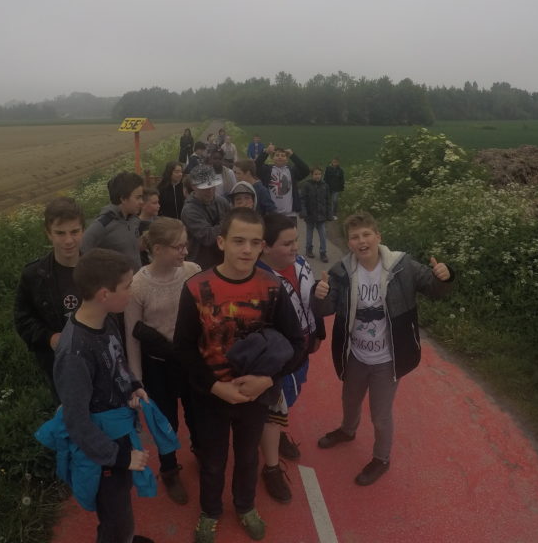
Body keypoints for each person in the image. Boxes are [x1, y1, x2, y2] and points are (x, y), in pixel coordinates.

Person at [173, 208, 305, 543]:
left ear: (262, 246)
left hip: (254, 395)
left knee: (247, 458)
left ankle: (245, 507)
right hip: (210, 397)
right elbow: (184, 348)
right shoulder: (195, 287)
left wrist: (267, 380)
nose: (247, 249)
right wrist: (215, 386)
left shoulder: (272, 287)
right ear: (221, 242)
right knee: (212, 460)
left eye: (255, 242)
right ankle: (210, 511)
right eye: (238, 241)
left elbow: (296, 343)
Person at [313, 211, 455, 486]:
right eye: (355, 237)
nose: (361, 241)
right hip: (355, 355)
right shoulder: (341, 272)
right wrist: (320, 296)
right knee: (349, 400)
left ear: (378, 236)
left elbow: (434, 289)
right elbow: (326, 308)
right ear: (349, 243)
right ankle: (347, 430)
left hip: (387, 359)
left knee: (380, 415)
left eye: (367, 234)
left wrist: (443, 277)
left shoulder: (402, 267)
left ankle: (381, 458)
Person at [51, 248, 155, 543]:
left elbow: (116, 362)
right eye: (127, 286)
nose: (132, 292)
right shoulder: (74, 353)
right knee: (115, 519)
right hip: (103, 450)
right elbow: (77, 421)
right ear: (104, 294)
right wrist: (120, 457)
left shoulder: (105, 319)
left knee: (121, 504)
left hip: (117, 435)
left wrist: (132, 385)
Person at [126, 218, 202, 505]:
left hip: (190, 360)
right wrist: (136, 380)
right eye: (178, 247)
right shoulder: (138, 286)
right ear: (157, 249)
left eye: (185, 245)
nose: (185, 251)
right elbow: (132, 336)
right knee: (165, 420)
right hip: (158, 365)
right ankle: (170, 470)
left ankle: (201, 451)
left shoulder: (192, 271)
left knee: (197, 412)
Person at [255, 213, 327, 504]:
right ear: (265, 247)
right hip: (278, 360)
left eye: (296, 240)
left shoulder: (300, 263)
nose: (295, 247)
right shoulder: (257, 280)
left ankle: (277, 429)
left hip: (302, 349)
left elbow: (311, 300)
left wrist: (319, 331)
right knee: (273, 408)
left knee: (289, 398)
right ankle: (271, 468)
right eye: (287, 243)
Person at [14, 197, 86, 402]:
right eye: (60, 233)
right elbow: (23, 320)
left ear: (83, 230)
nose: (68, 240)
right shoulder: (34, 276)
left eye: (74, 232)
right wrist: (50, 338)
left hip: (99, 362)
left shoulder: (97, 268)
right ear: (48, 233)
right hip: (61, 367)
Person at [81, 171, 146, 273]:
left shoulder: (133, 219)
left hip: (136, 279)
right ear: (123, 198)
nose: (142, 202)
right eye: (138, 197)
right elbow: (83, 247)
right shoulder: (104, 223)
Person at [180, 165, 231, 271]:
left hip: (223, 261)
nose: (210, 191)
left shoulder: (222, 202)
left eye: (212, 186)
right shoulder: (189, 210)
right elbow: (208, 237)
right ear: (193, 186)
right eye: (205, 188)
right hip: (200, 264)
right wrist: (229, 222)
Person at [254, 144, 309, 219]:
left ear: (287, 159)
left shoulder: (292, 171)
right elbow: (255, 167)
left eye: (283, 155)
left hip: (290, 215)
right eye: (277, 155)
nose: (280, 157)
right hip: (271, 214)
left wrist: (293, 155)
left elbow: (306, 170)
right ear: (273, 158)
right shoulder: (267, 170)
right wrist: (266, 152)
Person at [298, 167, 332, 263]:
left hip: (321, 215)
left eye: (319, 174)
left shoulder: (325, 186)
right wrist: (303, 211)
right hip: (310, 214)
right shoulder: (306, 185)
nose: (317, 176)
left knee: (323, 234)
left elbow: (328, 201)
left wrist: (329, 214)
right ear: (312, 175)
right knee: (309, 233)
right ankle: (309, 249)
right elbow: (302, 199)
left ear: (322, 175)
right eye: (315, 174)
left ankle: (323, 252)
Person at [137, 188, 161, 266]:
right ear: (143, 205)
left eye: (158, 202)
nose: (158, 206)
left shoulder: (160, 222)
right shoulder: (136, 226)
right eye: (154, 203)